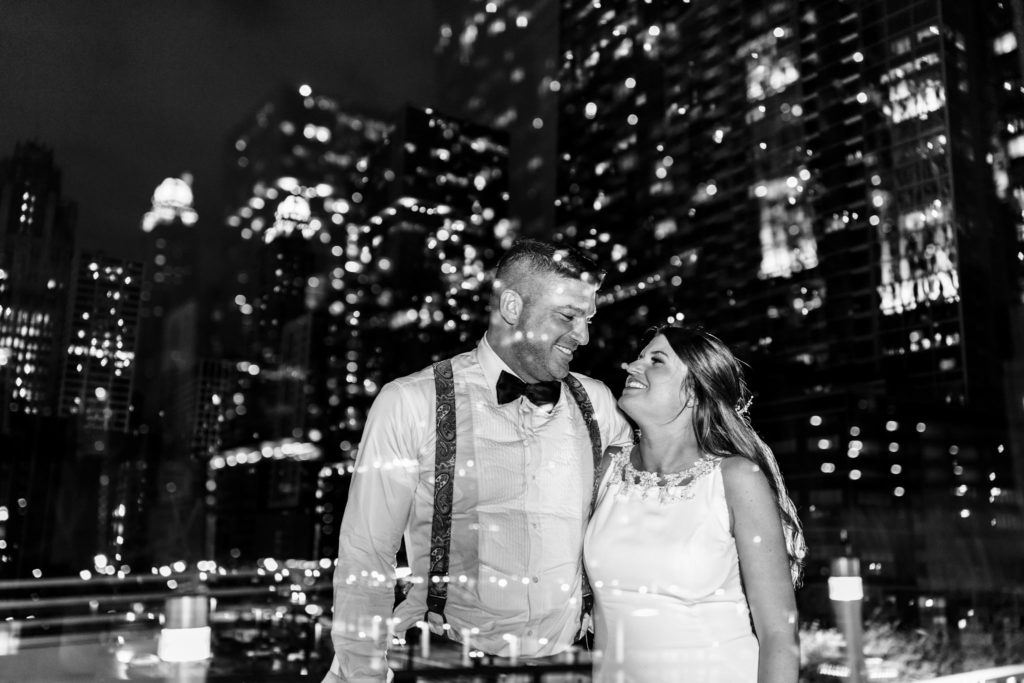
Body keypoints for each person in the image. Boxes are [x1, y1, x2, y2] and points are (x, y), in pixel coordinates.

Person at [323, 239, 634, 682]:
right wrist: (362, 674)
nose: (583, 335)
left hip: (572, 664)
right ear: (512, 306)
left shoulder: (598, 403)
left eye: (588, 319)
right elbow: (366, 553)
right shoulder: (411, 402)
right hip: (448, 664)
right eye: (567, 316)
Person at [584, 324, 806, 683]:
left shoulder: (736, 478)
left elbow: (779, 633)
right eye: (639, 357)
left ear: (693, 392)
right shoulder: (608, 467)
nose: (631, 365)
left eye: (656, 360)